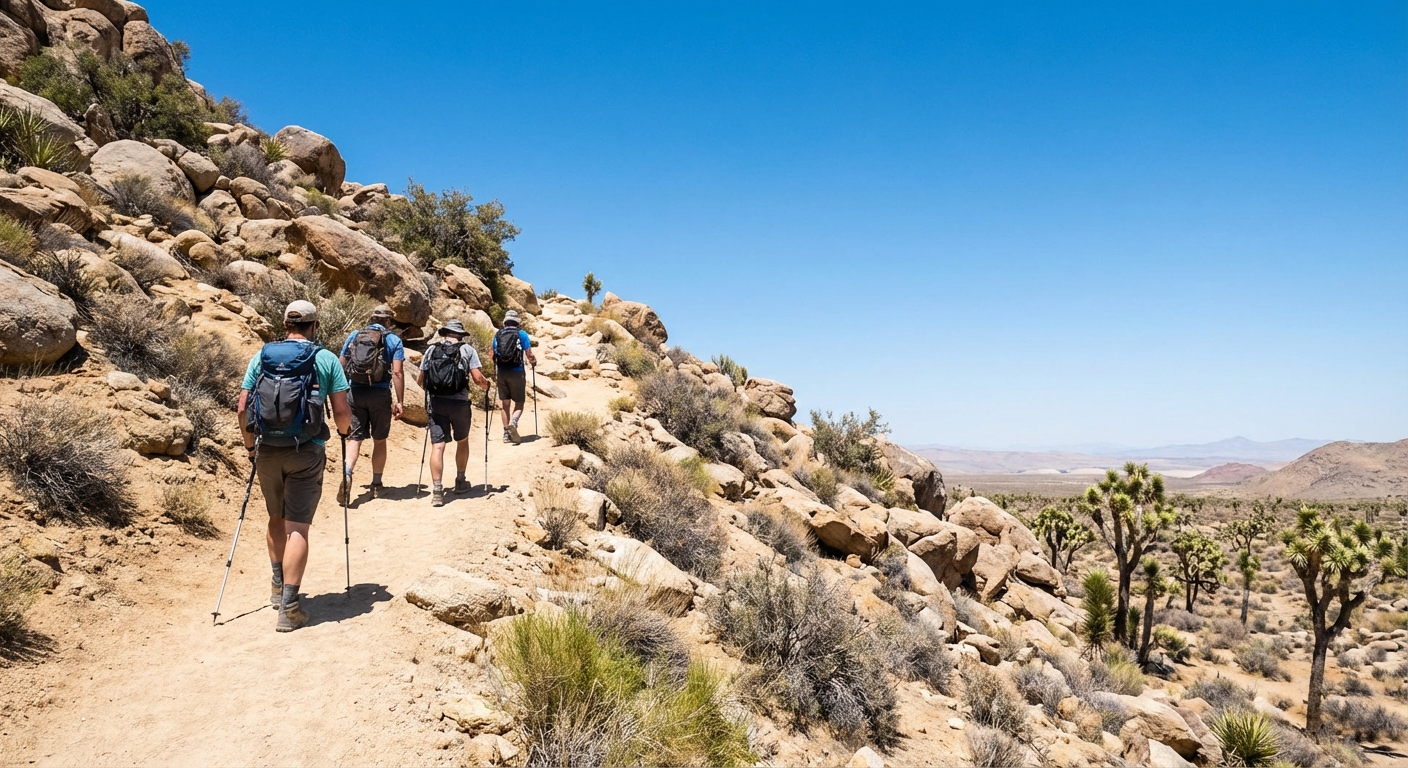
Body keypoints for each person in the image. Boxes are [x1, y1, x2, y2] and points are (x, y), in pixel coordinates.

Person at [236, 300, 351, 633]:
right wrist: (344, 434)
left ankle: (276, 586)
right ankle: (289, 608)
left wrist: (249, 446)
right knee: (297, 527)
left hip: (267, 450)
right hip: (307, 451)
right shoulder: (325, 358)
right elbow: (342, 411)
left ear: (285, 325)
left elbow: (243, 406)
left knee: (275, 518)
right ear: (314, 327)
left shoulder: (263, 356)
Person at [336, 305, 405, 504]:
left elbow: (341, 362)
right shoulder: (393, 340)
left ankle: (347, 472)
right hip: (380, 393)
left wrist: (342, 392)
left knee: (354, 438)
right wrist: (400, 401)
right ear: (389, 321)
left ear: (371, 318)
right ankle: (376, 484)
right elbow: (398, 372)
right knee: (379, 439)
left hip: (355, 392)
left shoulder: (355, 335)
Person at [417, 319, 490, 507]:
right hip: (459, 403)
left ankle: (437, 490)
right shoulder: (467, 350)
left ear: (444, 333)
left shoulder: (431, 350)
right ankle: (460, 480)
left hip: (437, 403)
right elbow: (477, 378)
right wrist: (487, 385)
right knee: (462, 440)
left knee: (438, 446)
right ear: (460, 335)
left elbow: (420, 380)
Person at [491, 309, 537, 444]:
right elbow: (529, 353)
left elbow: (492, 354)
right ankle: (514, 422)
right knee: (519, 403)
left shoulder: (498, 334)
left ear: (505, 321)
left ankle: (506, 433)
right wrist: (533, 362)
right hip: (517, 371)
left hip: (502, 372)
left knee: (505, 404)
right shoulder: (521, 334)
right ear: (517, 322)